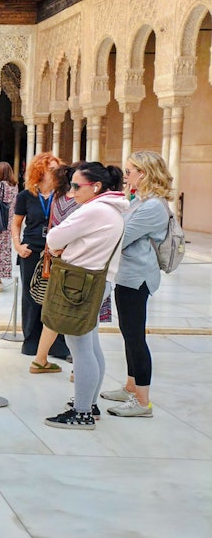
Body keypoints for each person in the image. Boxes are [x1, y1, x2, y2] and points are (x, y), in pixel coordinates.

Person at [43, 162, 128, 429]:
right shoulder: (112, 208)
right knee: (90, 345)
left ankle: (82, 413)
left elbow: (54, 237)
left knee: (80, 348)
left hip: (81, 283)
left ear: (96, 187)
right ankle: (89, 404)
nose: (72, 192)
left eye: (77, 186)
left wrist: (59, 246)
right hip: (97, 281)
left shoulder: (95, 210)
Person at [102, 151, 172, 417]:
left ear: (143, 173)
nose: (126, 175)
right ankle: (131, 386)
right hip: (127, 275)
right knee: (128, 332)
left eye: (129, 171)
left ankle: (143, 402)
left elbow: (122, 236)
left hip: (137, 277)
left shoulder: (153, 206)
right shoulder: (141, 200)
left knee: (135, 337)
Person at [13, 152, 71, 362]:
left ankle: (57, 344)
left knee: (55, 295)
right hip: (32, 249)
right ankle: (31, 341)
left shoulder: (64, 195)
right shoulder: (26, 196)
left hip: (57, 250)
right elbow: (16, 223)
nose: (56, 172)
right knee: (31, 295)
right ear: (40, 171)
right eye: (51, 169)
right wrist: (18, 246)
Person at [29, 163, 79, 374]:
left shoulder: (58, 198)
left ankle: (40, 359)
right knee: (78, 314)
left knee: (55, 310)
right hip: (75, 263)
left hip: (57, 259)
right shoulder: (79, 203)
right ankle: (80, 368)